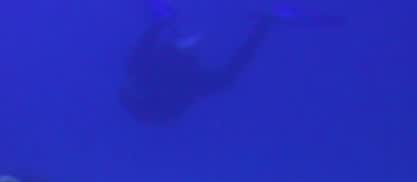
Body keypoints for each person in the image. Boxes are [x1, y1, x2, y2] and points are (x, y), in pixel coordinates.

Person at [120, 3, 340, 125]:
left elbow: (139, 61)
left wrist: (160, 27)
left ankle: (165, 24)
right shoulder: (157, 81)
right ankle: (267, 21)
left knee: (222, 78)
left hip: (170, 74)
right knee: (223, 79)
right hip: (174, 76)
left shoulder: (147, 76)